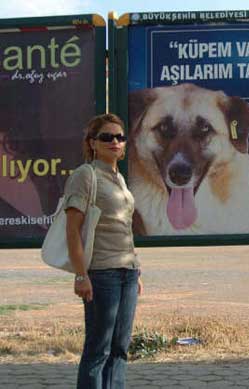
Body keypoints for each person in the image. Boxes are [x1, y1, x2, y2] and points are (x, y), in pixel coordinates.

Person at [64, 113, 143, 388]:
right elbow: (73, 230)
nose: (115, 142)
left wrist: (135, 268)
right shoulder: (85, 175)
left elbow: (123, 228)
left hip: (127, 273)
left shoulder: (119, 178)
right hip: (101, 273)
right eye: (107, 137)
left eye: (120, 137)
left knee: (120, 350)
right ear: (92, 143)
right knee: (98, 351)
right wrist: (80, 275)